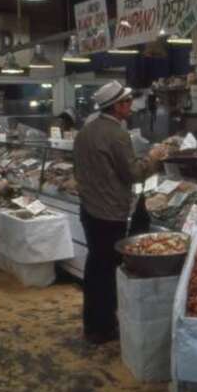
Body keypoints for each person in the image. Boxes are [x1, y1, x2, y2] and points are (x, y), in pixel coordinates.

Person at [73, 81, 168, 344]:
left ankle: (93, 324)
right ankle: (104, 329)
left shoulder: (86, 131)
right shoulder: (116, 134)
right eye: (127, 102)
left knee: (95, 268)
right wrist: (155, 156)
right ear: (116, 106)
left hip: (89, 209)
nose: (131, 105)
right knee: (106, 271)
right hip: (110, 212)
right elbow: (134, 173)